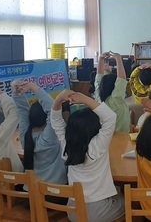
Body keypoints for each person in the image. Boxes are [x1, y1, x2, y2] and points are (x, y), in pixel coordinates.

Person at [51, 90, 124, 222]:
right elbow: (110, 117)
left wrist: (60, 98)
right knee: (127, 200)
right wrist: (84, 99)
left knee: (117, 192)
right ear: (94, 128)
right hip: (98, 211)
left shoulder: (66, 146)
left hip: (73, 211)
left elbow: (55, 120)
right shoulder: (98, 145)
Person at [12, 80, 67, 199]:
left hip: (31, 194)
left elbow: (22, 110)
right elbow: (53, 110)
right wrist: (33, 87)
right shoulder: (49, 137)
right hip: (54, 194)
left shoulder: (25, 136)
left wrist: (16, 94)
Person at [95, 51, 131, 132]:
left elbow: (98, 77)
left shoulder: (98, 96)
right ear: (114, 86)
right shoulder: (115, 99)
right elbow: (121, 79)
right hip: (120, 136)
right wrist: (118, 58)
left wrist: (101, 58)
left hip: (104, 136)